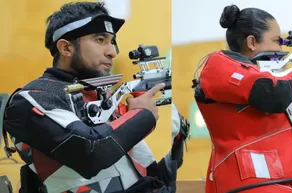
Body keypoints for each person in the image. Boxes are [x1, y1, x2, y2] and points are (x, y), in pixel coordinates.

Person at [2, 2, 187, 193]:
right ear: (66, 48)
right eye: (100, 40)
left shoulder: (101, 96)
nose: (112, 52)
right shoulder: (30, 100)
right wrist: (143, 115)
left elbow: (155, 180)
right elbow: (91, 153)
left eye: (112, 41)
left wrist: (177, 139)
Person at [192, 4, 292, 193]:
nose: (281, 47)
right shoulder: (218, 65)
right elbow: (273, 94)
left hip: (289, 174)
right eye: (277, 40)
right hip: (250, 178)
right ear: (252, 42)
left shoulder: (274, 79)